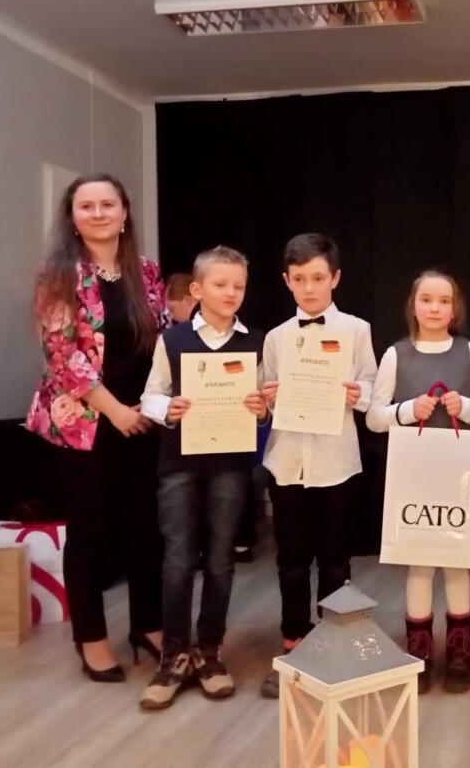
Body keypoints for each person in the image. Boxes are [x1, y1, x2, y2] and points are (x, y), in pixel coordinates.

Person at [26, 174, 168, 682]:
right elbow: (63, 355)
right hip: (87, 422)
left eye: (108, 204)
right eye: (87, 206)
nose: (99, 213)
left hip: (143, 417)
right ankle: (91, 637)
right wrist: (115, 411)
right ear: (72, 217)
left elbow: (164, 340)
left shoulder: (145, 271)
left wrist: (155, 403)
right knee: (90, 532)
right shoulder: (58, 275)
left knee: (145, 528)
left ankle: (149, 626)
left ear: (125, 212)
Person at [137, 246, 269, 709]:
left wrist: (261, 410)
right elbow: (151, 395)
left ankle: (209, 652)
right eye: (221, 284)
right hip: (178, 463)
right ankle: (173, 655)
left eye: (239, 286)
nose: (231, 293)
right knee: (177, 559)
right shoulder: (173, 340)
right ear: (197, 290)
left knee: (220, 560)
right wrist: (166, 409)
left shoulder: (257, 343)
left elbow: (265, 405)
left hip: (230, 464)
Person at [258, 233, 378, 698]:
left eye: (318, 278)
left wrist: (358, 395)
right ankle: (294, 645)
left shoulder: (357, 330)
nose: (309, 288)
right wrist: (267, 399)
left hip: (336, 462)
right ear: (286, 281)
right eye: (300, 279)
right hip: (287, 461)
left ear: (336, 278)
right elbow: (265, 398)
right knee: (290, 560)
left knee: (335, 559)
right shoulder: (276, 338)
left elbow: (372, 386)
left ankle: (336, 647)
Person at [365, 270, 470, 693]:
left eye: (444, 301)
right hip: (414, 475)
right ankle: (419, 653)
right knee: (419, 563)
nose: (435, 308)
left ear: (455, 309)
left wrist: (467, 407)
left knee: (457, 563)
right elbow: (374, 416)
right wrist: (407, 410)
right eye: (427, 299)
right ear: (413, 305)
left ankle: (461, 653)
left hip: (458, 477)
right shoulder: (395, 354)